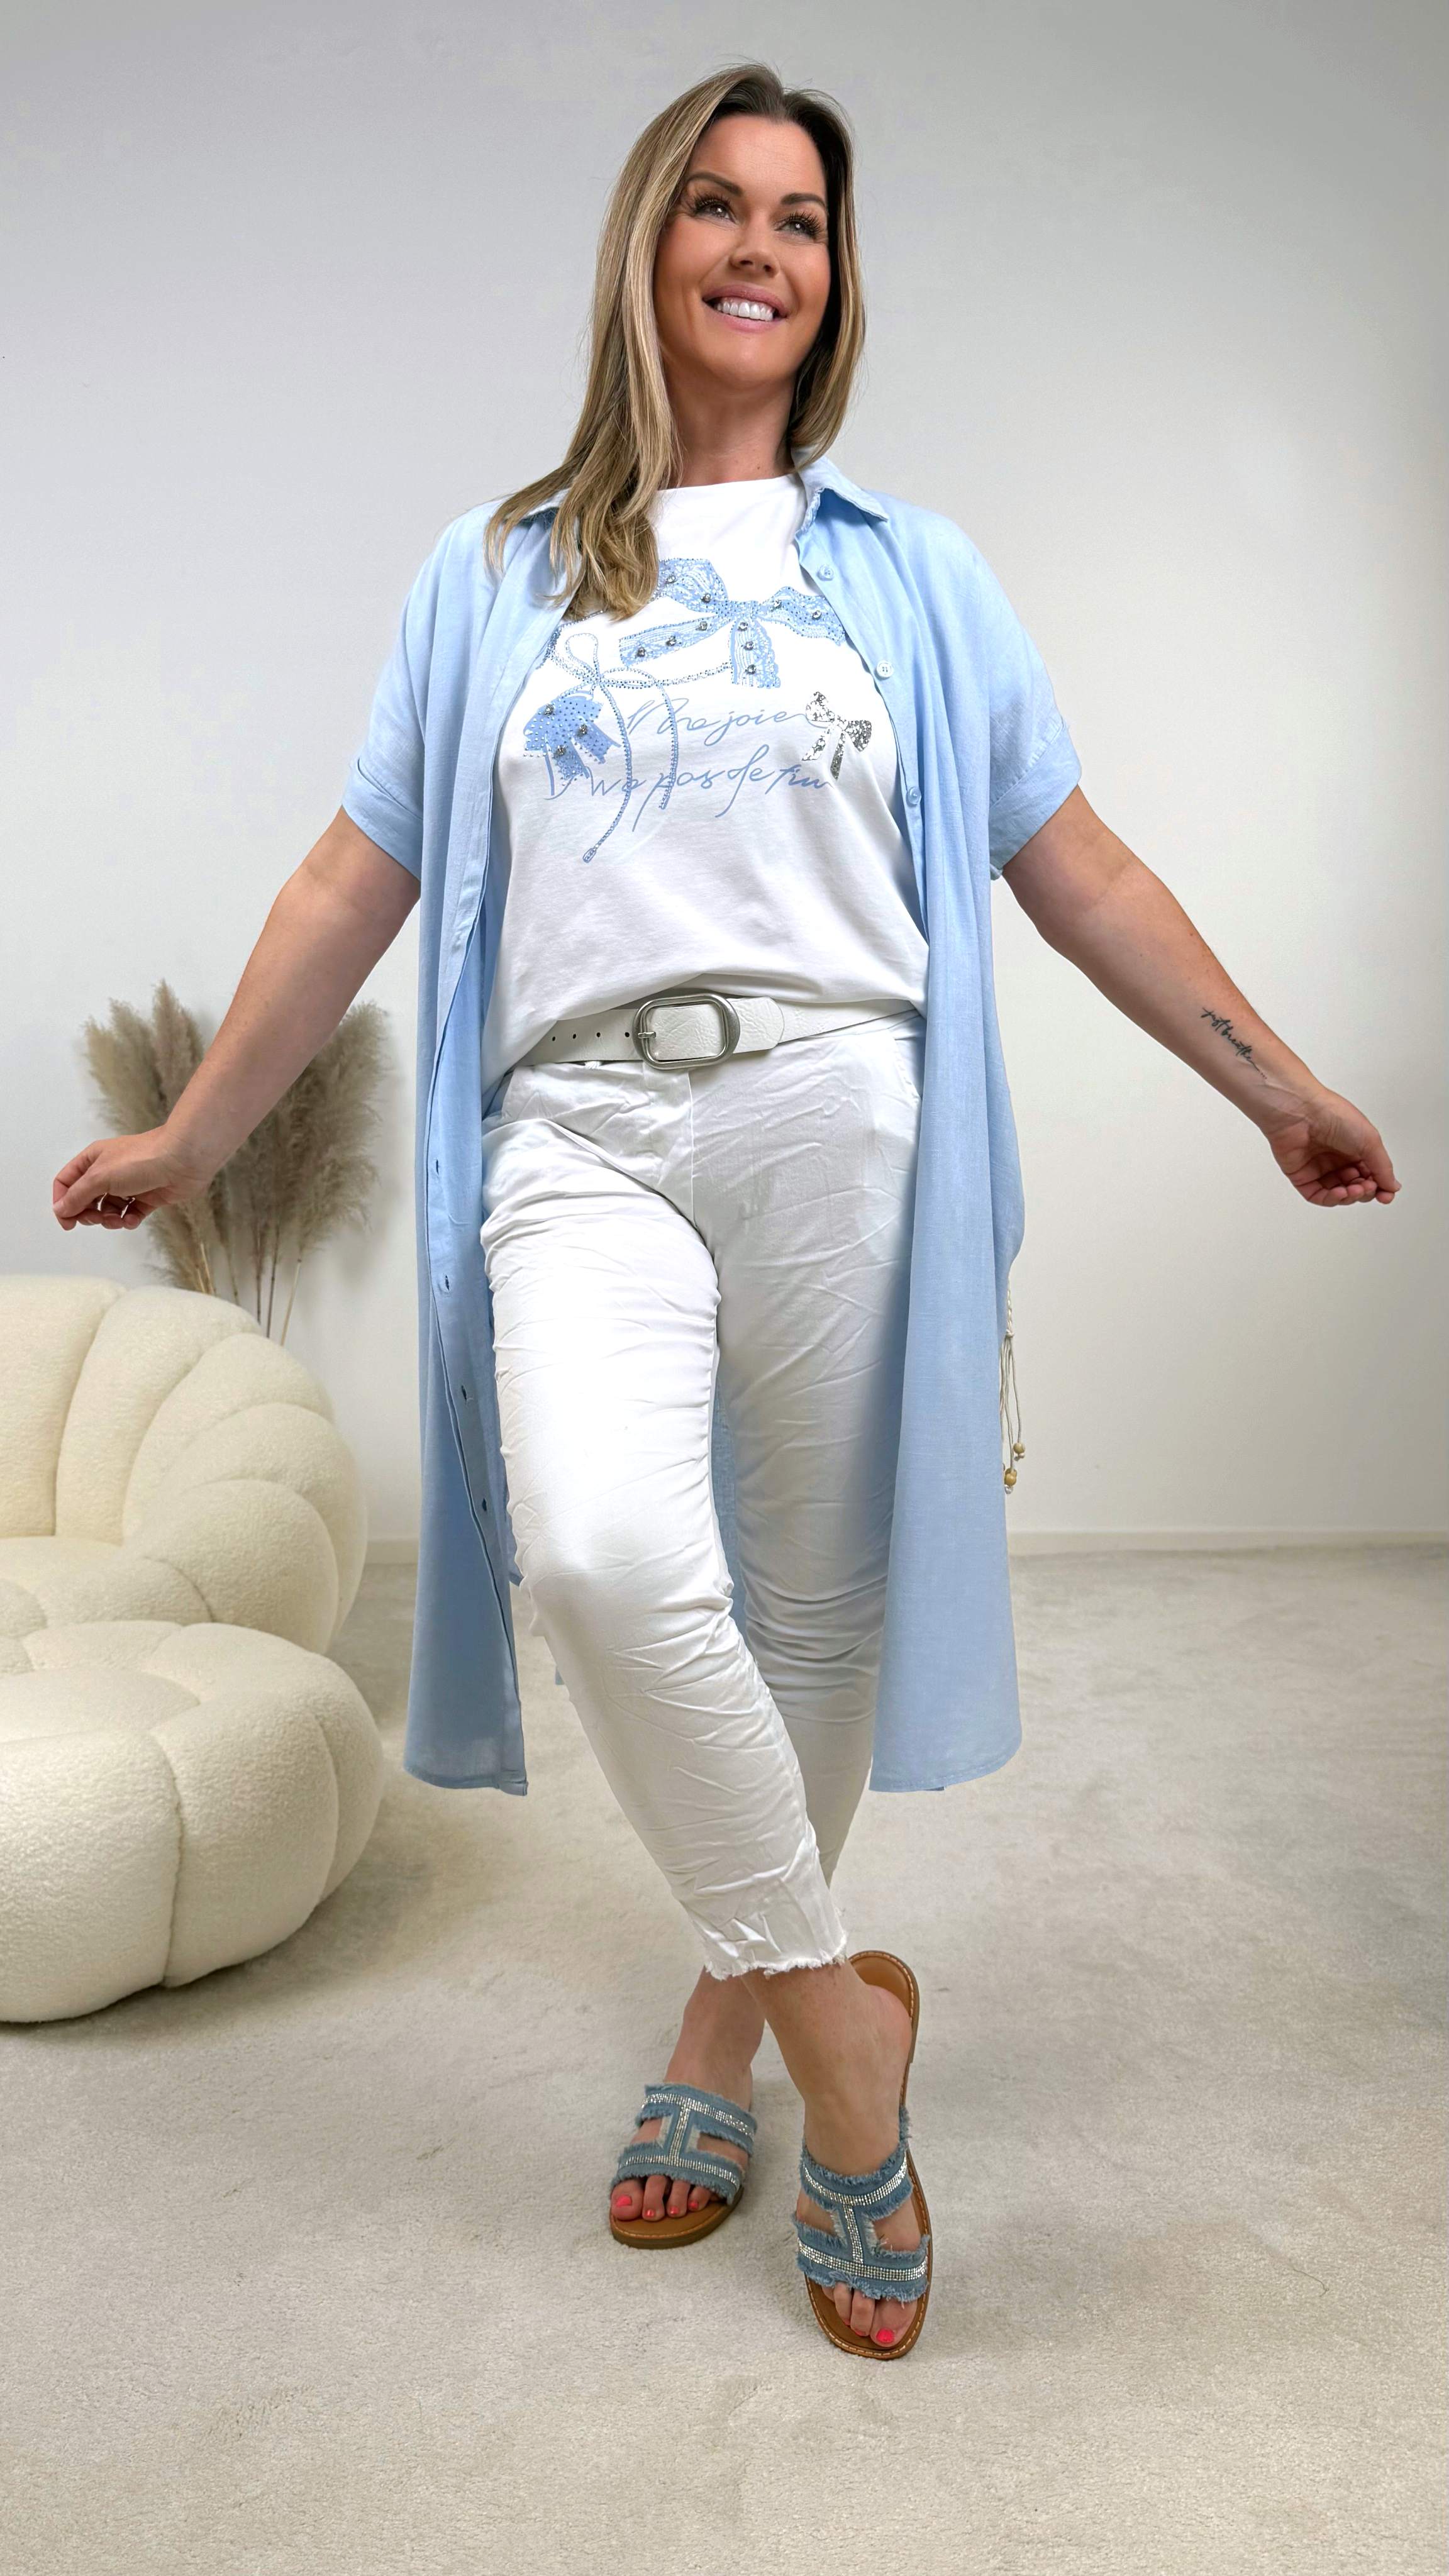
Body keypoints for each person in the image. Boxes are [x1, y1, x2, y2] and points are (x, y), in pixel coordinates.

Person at [52, 62, 1399, 2362]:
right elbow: (353, 876)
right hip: (579, 1127)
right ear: (645, 246)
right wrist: (193, 1136)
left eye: (804, 217)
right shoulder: (493, 574)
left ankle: (721, 2019)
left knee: (811, 1619)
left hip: (842, 1115)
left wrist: (1271, 1083)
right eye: (718, 203)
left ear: (836, 279)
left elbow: (1073, 862)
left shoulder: (916, 576)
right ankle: (845, 2046)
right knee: (600, 1554)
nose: (762, 246)